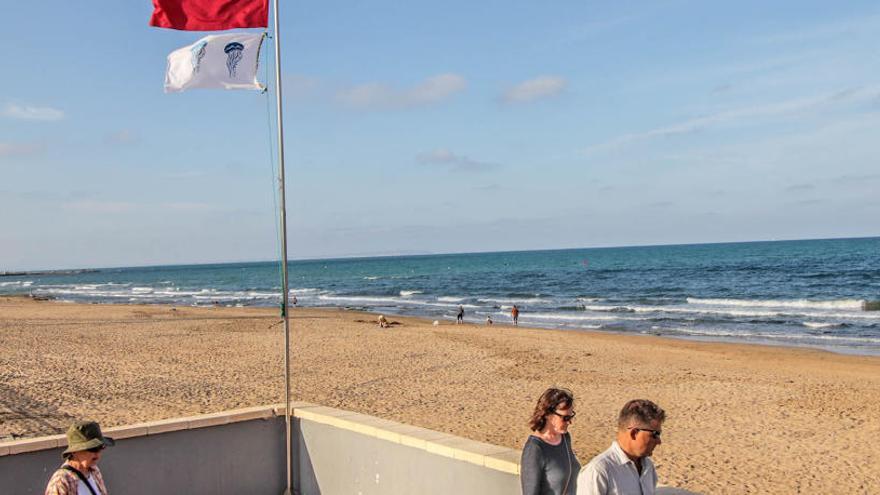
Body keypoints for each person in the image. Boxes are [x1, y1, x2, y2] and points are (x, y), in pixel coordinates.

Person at [576, 399, 666, 495]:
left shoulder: (647, 466)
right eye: (655, 434)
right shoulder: (598, 471)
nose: (659, 441)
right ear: (634, 433)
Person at [521, 388, 580, 495]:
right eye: (565, 417)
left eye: (571, 416)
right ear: (548, 415)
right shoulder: (535, 449)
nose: (570, 422)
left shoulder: (565, 438)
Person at [45, 420, 115, 495]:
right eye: (92, 449)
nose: (97, 455)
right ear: (75, 451)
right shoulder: (61, 481)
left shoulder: (94, 471)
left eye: (100, 447)